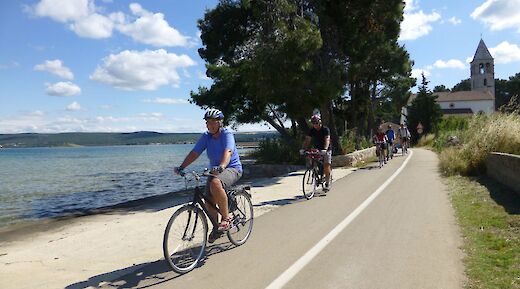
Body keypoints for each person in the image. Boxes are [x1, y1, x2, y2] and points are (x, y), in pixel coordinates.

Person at [174, 108, 242, 243]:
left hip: (232, 168)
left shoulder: (226, 134)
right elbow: (195, 153)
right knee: (208, 200)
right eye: (208, 122)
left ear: (220, 123)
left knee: (215, 183)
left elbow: (228, 151)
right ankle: (216, 228)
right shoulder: (206, 136)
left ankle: (226, 218)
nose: (210, 125)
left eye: (213, 122)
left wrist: (222, 165)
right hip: (215, 171)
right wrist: (182, 167)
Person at [300, 114, 332, 191]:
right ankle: (315, 172)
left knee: (326, 165)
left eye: (316, 123)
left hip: (326, 149)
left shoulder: (325, 129)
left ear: (320, 122)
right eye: (313, 123)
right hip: (317, 149)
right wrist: (303, 149)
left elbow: (327, 139)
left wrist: (325, 149)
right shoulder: (312, 130)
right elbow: (307, 140)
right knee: (312, 158)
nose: (315, 125)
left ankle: (327, 182)